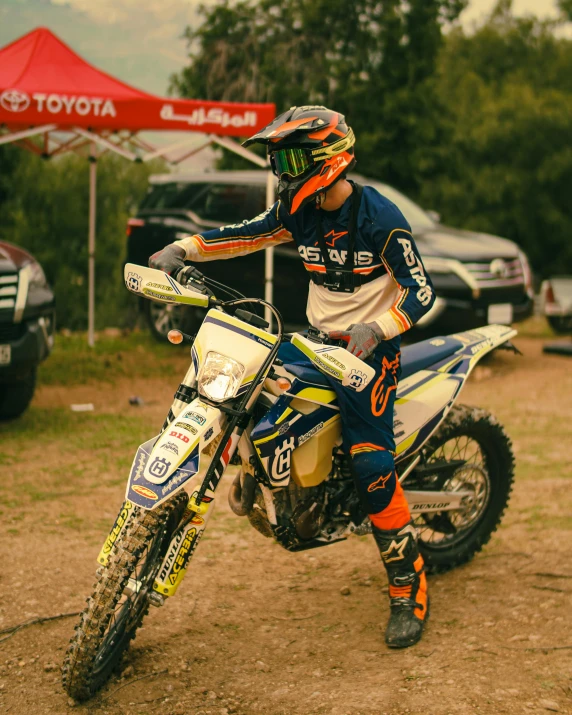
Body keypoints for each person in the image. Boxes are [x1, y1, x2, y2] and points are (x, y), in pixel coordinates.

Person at [149, 105, 436, 648]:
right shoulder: (296, 208)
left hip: (368, 354)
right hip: (316, 340)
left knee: (371, 464)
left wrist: (379, 328)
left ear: (329, 159)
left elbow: (422, 292)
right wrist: (183, 248)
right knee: (246, 384)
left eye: (291, 157)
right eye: (278, 157)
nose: (282, 168)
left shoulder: (380, 217)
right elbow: (246, 234)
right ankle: (264, 476)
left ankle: (407, 586)